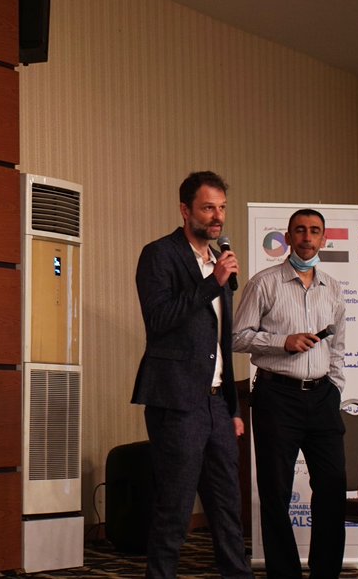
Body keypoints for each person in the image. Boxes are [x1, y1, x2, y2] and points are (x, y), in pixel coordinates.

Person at [132, 171, 252, 579]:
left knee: (227, 505)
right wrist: (210, 284)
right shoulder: (159, 255)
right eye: (208, 208)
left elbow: (221, 343)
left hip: (216, 403)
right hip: (176, 400)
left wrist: (232, 408)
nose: (217, 217)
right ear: (185, 211)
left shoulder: (219, 261)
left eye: (221, 208)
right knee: (175, 506)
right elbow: (158, 319)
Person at [232, 208, 347, 579]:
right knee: (276, 491)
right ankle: (284, 574)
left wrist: (335, 388)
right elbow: (237, 337)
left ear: (323, 239)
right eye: (300, 230)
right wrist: (283, 341)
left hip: (322, 397)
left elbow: (338, 347)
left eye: (314, 231)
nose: (307, 237)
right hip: (277, 397)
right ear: (288, 237)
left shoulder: (333, 288)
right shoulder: (264, 283)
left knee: (332, 487)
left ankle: (325, 572)